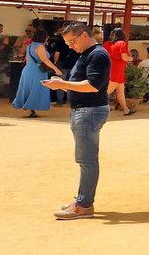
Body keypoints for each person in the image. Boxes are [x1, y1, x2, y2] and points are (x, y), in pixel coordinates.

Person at [46, 22, 113, 220]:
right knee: (85, 159)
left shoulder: (97, 55)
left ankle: (84, 205)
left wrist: (62, 84)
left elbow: (92, 85)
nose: (70, 46)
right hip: (84, 110)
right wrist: (60, 86)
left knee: (86, 160)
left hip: (89, 110)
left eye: (72, 41)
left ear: (84, 35)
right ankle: (83, 200)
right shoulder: (88, 54)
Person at [13, 27, 63, 118]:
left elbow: (27, 59)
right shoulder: (40, 46)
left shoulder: (29, 46)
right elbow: (45, 60)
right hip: (37, 70)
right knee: (37, 89)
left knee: (28, 89)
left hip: (29, 69)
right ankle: (30, 108)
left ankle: (30, 109)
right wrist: (56, 69)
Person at [104, 27, 135, 116]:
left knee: (120, 90)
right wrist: (131, 58)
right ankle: (91, 106)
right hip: (118, 69)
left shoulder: (106, 44)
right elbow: (124, 57)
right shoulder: (122, 43)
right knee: (107, 92)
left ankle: (126, 110)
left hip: (110, 67)